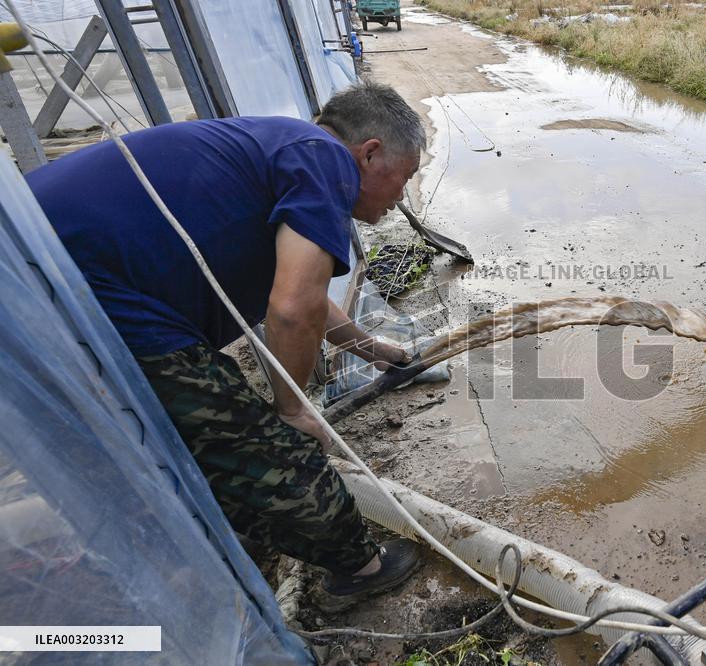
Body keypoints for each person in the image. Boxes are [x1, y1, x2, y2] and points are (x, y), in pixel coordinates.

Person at [26, 81, 425, 607]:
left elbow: (300, 297)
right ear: (369, 154)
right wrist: (293, 410)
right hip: (85, 298)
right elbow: (291, 309)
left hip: (37, 288)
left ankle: (177, 556)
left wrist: (373, 350)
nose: (401, 198)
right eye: (405, 179)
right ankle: (360, 567)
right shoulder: (325, 158)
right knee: (271, 452)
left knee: (149, 444)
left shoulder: (273, 153)